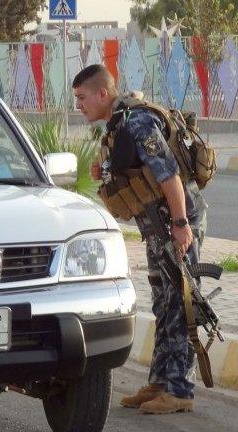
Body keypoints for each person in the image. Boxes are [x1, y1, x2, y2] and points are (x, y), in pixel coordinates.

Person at [73, 64, 207, 414]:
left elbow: (170, 177)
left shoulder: (137, 122)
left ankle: (180, 390)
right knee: (164, 304)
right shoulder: (119, 125)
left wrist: (181, 224)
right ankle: (160, 383)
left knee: (181, 303)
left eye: (82, 98)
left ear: (103, 93)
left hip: (176, 222)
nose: (79, 105)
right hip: (157, 227)